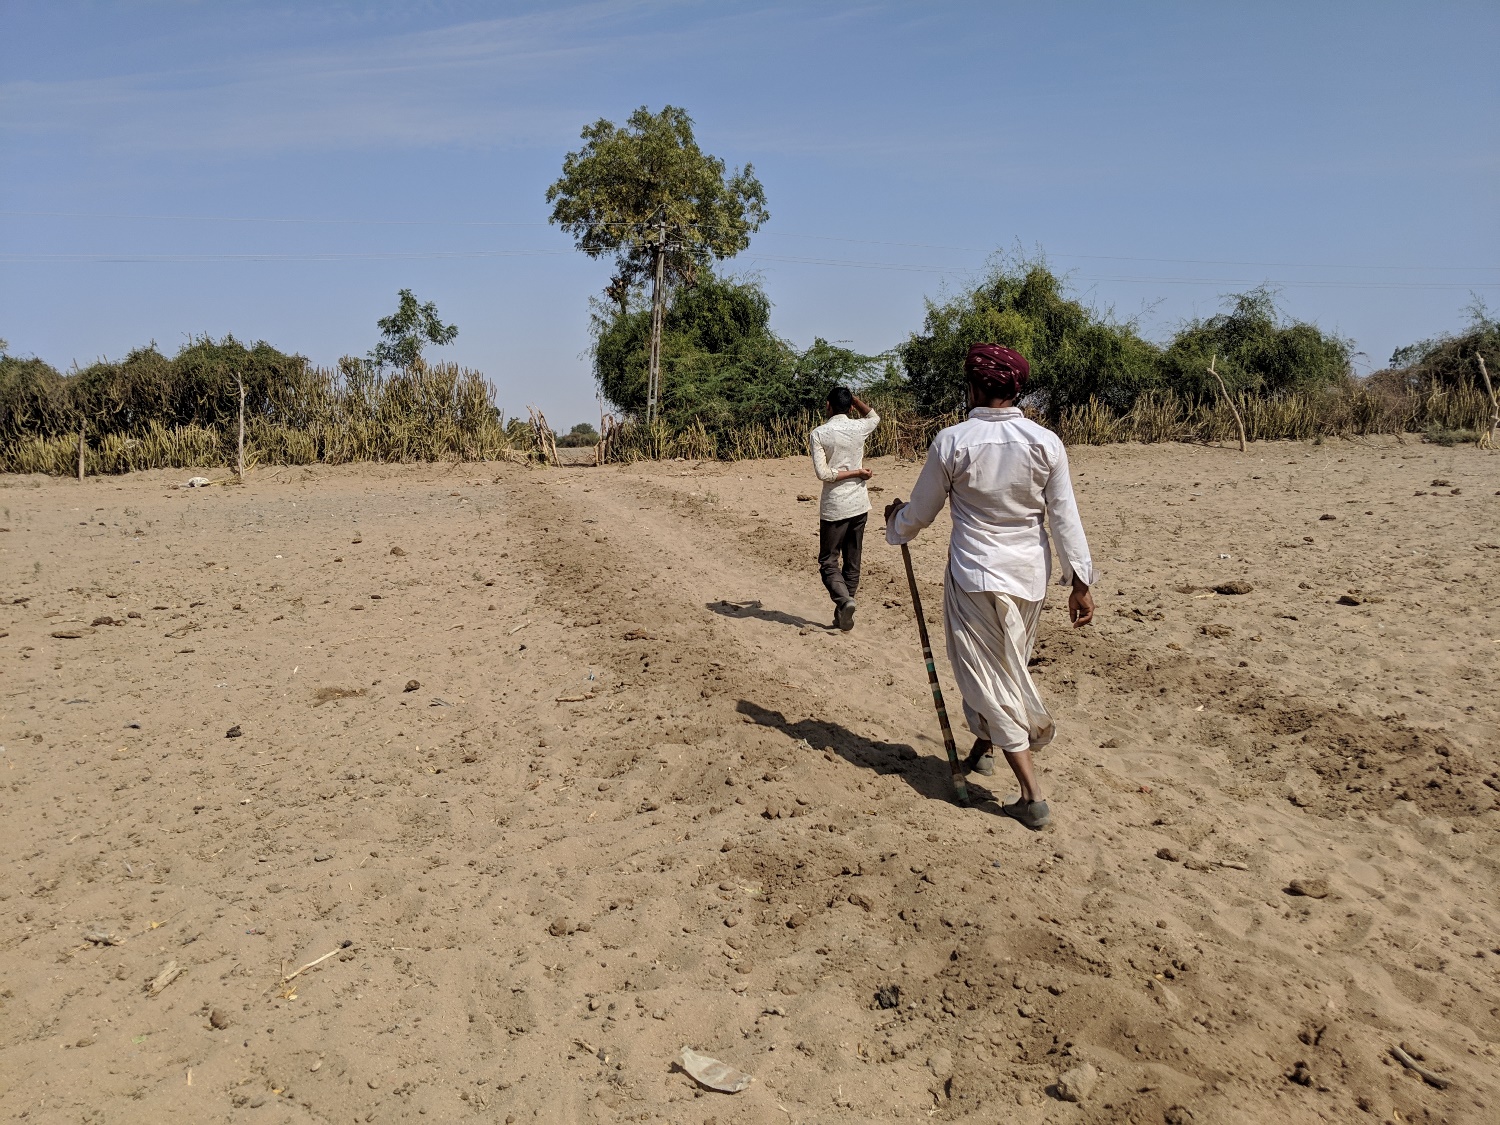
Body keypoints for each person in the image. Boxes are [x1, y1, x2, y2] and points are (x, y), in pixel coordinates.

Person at [884, 344, 1094, 829]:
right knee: (1006, 666)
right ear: (1016, 388)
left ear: (975, 387)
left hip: (974, 575)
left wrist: (897, 523)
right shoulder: (1046, 442)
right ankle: (984, 749)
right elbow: (1065, 517)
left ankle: (1031, 795)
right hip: (1029, 576)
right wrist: (1080, 582)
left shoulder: (953, 441)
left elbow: (922, 511)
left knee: (988, 674)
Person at [809, 386, 881, 631]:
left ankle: (844, 602)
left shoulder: (819, 433)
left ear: (828, 405)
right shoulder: (859, 427)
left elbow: (824, 474)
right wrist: (855, 399)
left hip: (835, 507)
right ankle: (843, 612)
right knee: (852, 561)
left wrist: (854, 473)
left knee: (829, 562)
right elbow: (874, 417)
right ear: (850, 407)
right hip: (859, 504)